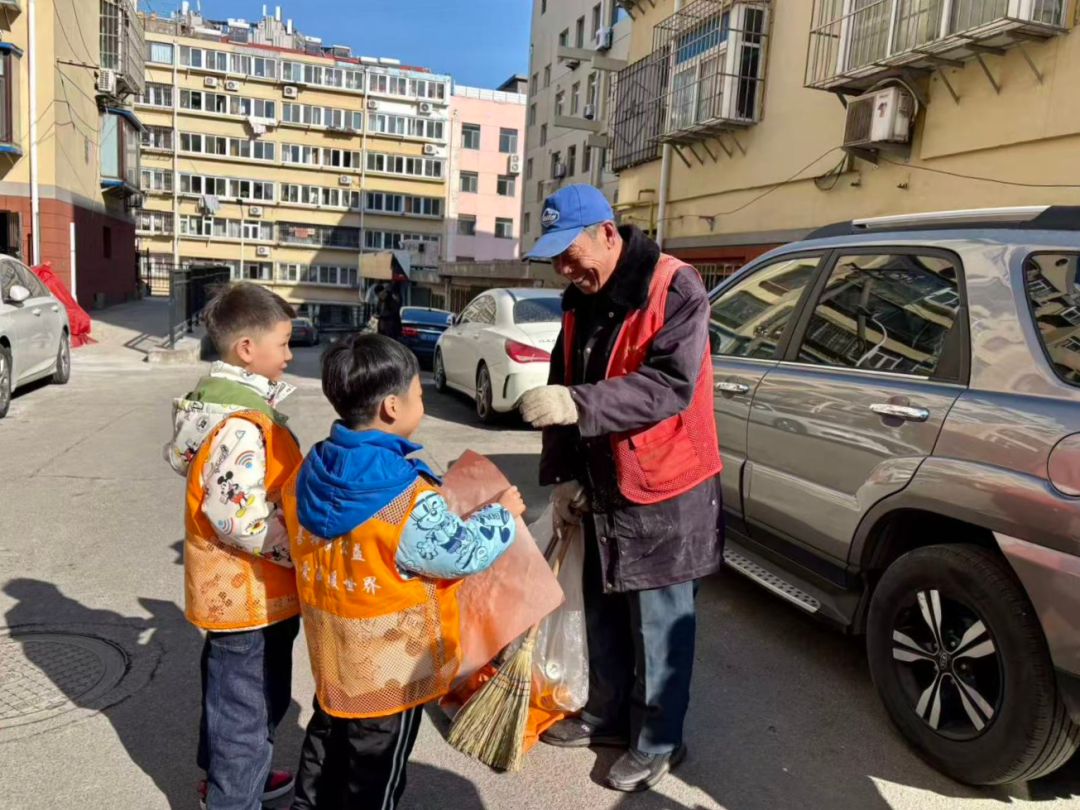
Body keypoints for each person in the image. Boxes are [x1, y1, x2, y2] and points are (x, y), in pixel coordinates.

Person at [520, 184, 724, 793]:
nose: (564, 268)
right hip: (603, 480)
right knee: (604, 605)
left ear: (607, 234)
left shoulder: (675, 286)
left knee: (659, 624)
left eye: (570, 253)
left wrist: (577, 404)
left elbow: (670, 384)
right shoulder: (578, 299)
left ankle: (659, 740)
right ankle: (606, 716)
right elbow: (564, 376)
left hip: (666, 485)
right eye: (555, 258)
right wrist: (563, 475)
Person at [281, 333, 525, 810]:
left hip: (333, 652)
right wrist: (503, 515)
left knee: (327, 736)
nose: (422, 402)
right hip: (390, 669)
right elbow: (462, 554)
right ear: (391, 407)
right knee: (375, 769)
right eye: (418, 393)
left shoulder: (311, 469)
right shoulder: (403, 497)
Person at [164, 282, 303, 810]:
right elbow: (239, 520)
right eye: (283, 343)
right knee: (246, 708)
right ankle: (233, 796)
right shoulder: (240, 423)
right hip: (250, 598)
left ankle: (236, 778)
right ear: (247, 348)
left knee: (232, 700)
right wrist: (299, 550)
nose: (290, 355)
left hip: (243, 596)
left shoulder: (220, 405)